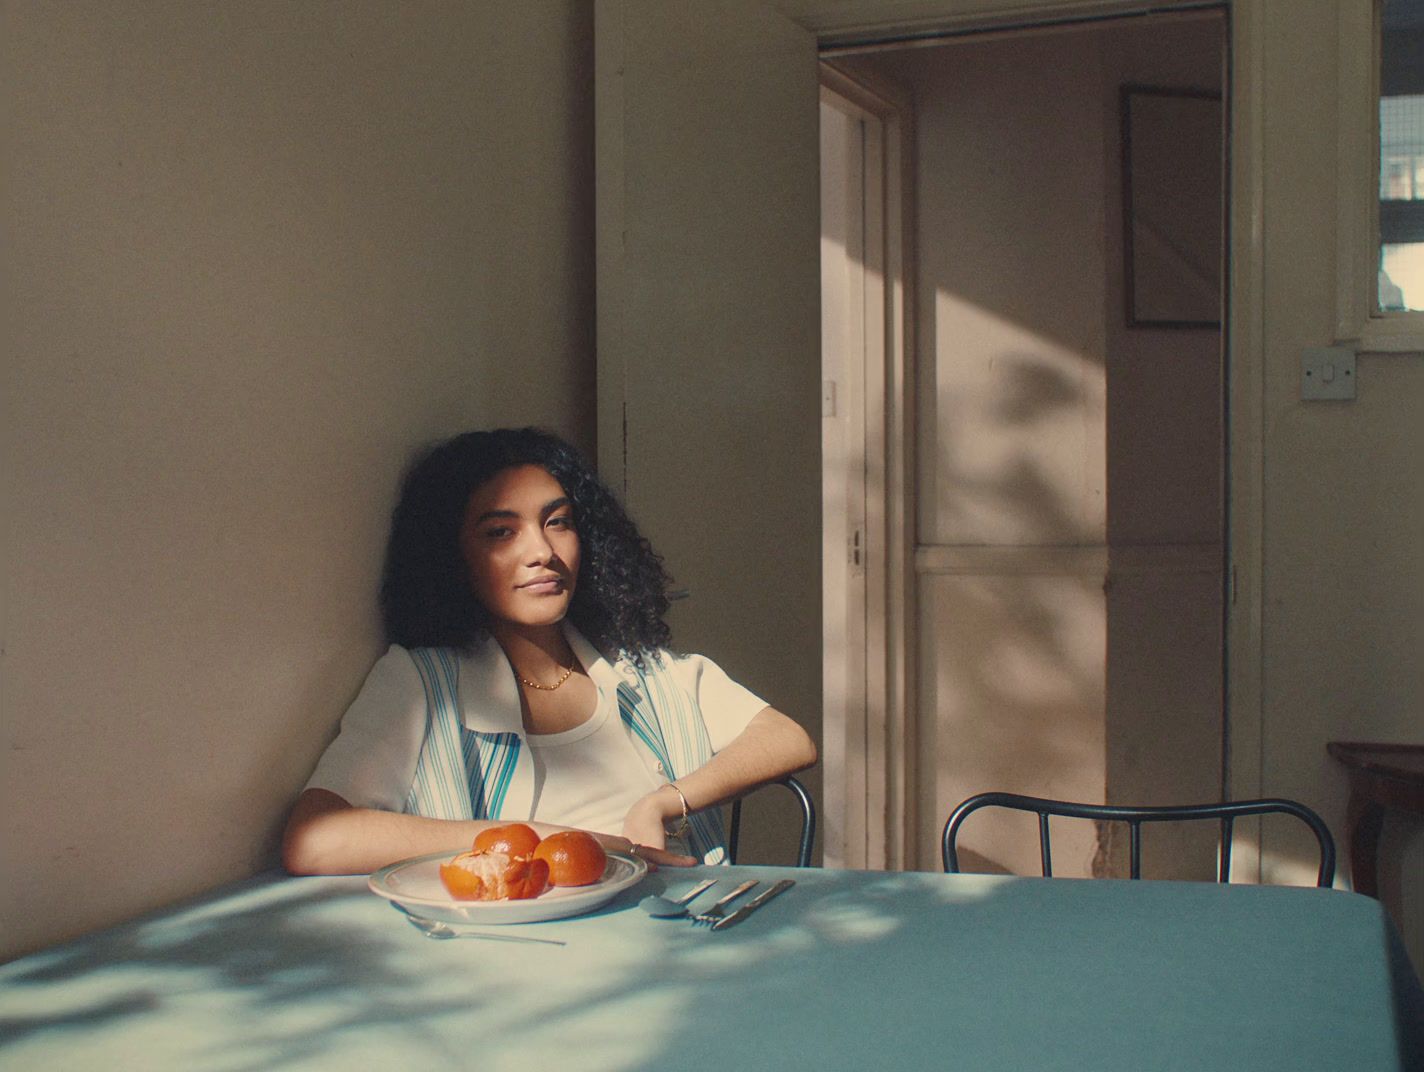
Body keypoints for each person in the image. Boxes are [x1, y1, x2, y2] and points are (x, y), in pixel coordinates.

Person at [282, 427, 817, 875]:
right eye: (500, 532)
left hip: (683, 947)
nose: (542, 552)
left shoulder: (643, 672)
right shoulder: (419, 682)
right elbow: (314, 841)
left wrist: (665, 801)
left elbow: (787, 738)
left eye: (557, 522)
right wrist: (535, 838)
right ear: (452, 557)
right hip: (507, 966)